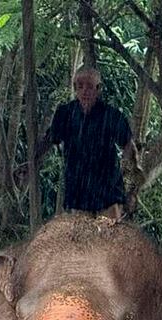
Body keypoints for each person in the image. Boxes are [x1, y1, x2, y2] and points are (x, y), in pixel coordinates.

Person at [33, 66, 138, 219]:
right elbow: (50, 139)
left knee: (110, 238)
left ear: (98, 89)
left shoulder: (112, 115)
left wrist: (130, 184)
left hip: (107, 191)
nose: (84, 91)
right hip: (78, 192)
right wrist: (32, 161)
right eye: (80, 86)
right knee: (82, 239)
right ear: (75, 88)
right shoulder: (65, 114)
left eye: (90, 86)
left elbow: (128, 146)